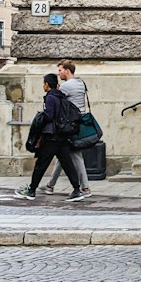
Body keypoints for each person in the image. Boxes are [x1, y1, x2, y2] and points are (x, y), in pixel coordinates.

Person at [14, 72, 86, 201]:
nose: (43, 86)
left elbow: (49, 116)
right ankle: (76, 190)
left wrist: (40, 118)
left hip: (51, 137)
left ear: (47, 84)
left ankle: (31, 190)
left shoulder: (50, 98)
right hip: (62, 137)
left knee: (41, 164)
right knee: (67, 164)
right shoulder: (61, 97)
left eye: (44, 84)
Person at [41, 59, 92, 197]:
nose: (58, 74)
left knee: (76, 155)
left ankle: (85, 188)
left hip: (70, 124)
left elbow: (54, 98)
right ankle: (50, 185)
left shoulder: (66, 87)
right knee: (62, 154)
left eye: (60, 70)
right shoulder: (81, 83)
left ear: (67, 71)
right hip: (78, 122)